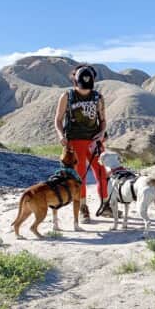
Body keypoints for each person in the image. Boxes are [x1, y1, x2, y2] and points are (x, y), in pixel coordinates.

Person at [54, 64, 109, 223]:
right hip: (74, 141)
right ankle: (83, 208)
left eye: (88, 87)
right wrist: (60, 135)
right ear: (74, 82)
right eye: (82, 87)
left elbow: (103, 120)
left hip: (94, 141)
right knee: (80, 177)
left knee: (102, 173)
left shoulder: (98, 97)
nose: (85, 90)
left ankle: (105, 205)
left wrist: (101, 133)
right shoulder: (67, 96)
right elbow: (58, 120)